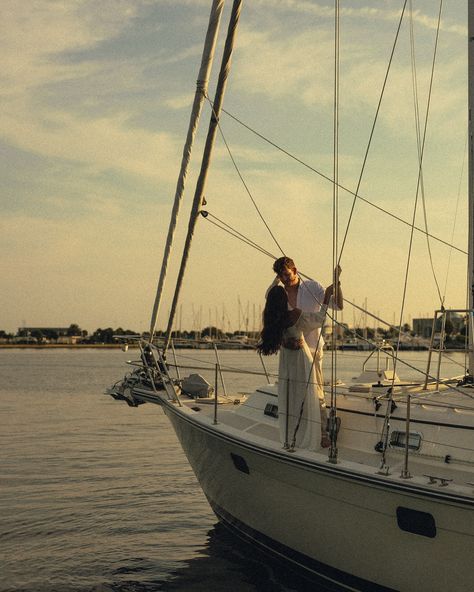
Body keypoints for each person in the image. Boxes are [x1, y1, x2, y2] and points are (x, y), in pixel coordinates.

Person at [257, 282, 338, 450]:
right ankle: (319, 435)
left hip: (286, 361)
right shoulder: (294, 315)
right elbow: (320, 319)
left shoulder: (271, 319)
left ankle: (291, 436)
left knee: (290, 396)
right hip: (301, 359)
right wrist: (327, 297)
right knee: (310, 395)